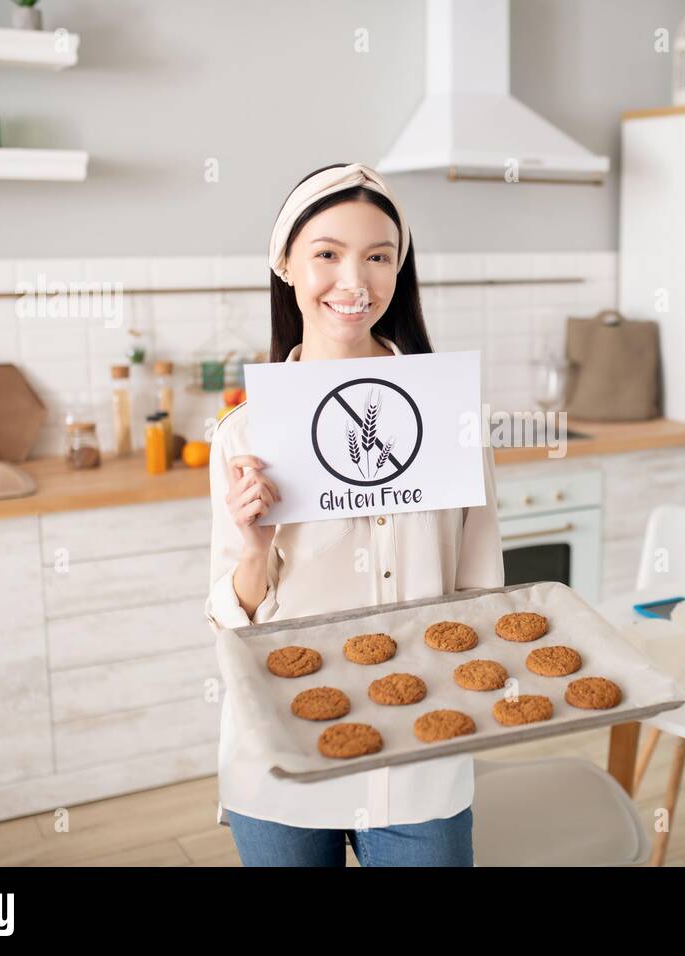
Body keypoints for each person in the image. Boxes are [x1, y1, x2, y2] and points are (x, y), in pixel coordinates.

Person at [204, 162, 504, 866]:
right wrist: (254, 549)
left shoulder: (452, 420)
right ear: (284, 264)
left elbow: (482, 591)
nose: (355, 281)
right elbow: (229, 623)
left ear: (399, 271)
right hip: (281, 755)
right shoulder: (243, 437)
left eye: (378, 257)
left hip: (422, 758)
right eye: (328, 254)